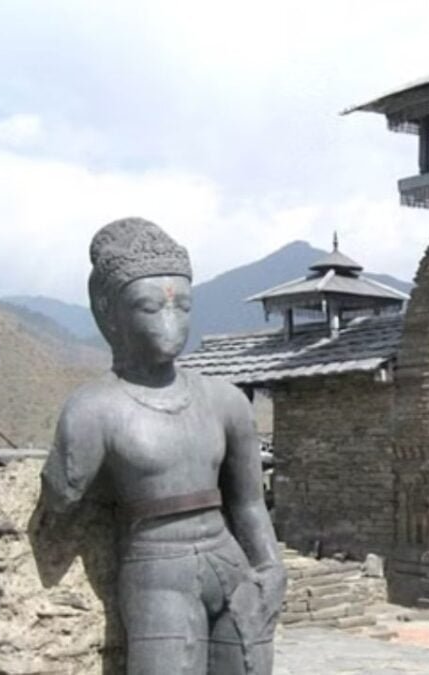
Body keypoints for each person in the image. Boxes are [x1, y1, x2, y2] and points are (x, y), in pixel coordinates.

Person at [41, 217, 285, 674]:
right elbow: (60, 497)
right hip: (157, 569)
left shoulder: (225, 401)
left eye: (182, 307)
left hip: (229, 560)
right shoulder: (95, 409)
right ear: (108, 312)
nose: (170, 323)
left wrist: (271, 568)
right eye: (149, 308)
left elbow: (249, 502)